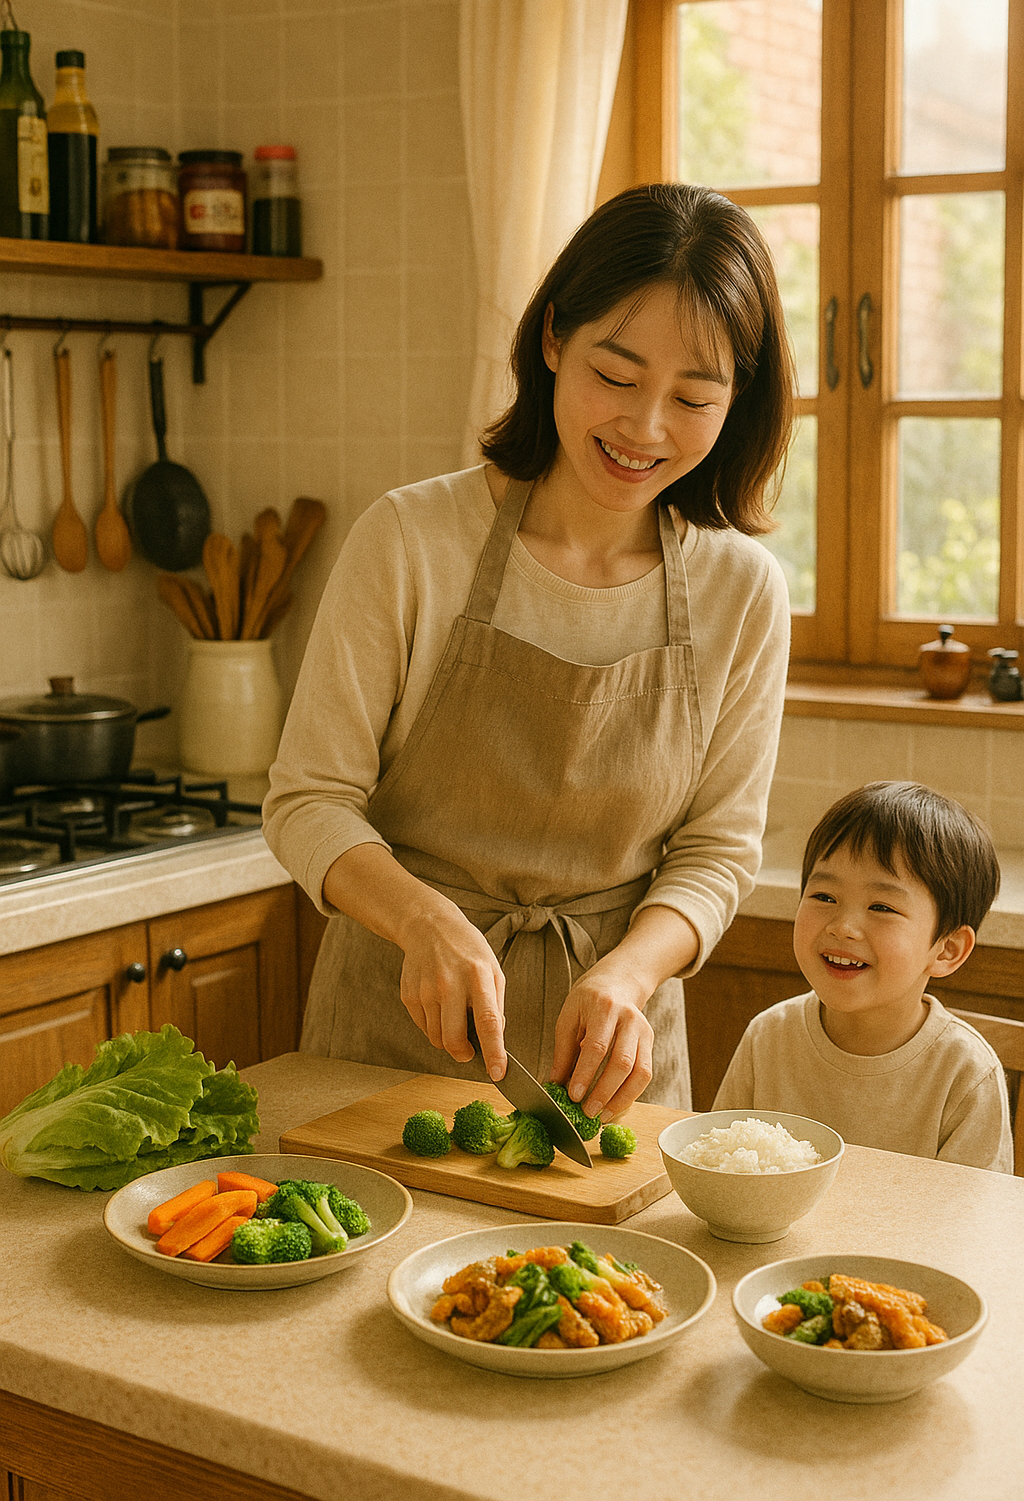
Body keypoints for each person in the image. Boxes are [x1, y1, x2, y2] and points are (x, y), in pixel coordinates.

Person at [263, 182, 794, 1120]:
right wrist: (425, 920)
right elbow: (308, 803)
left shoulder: (742, 593)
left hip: (613, 1078)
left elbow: (716, 854)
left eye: (694, 398)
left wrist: (632, 974)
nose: (645, 428)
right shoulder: (410, 539)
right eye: (617, 375)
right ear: (553, 340)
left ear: (736, 404)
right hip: (384, 1046)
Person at [713, 782, 1013, 1172]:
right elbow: (718, 1169)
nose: (844, 927)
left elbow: (975, 1225)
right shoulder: (768, 1036)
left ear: (947, 949)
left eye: (881, 906)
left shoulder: (965, 1073)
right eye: (824, 897)